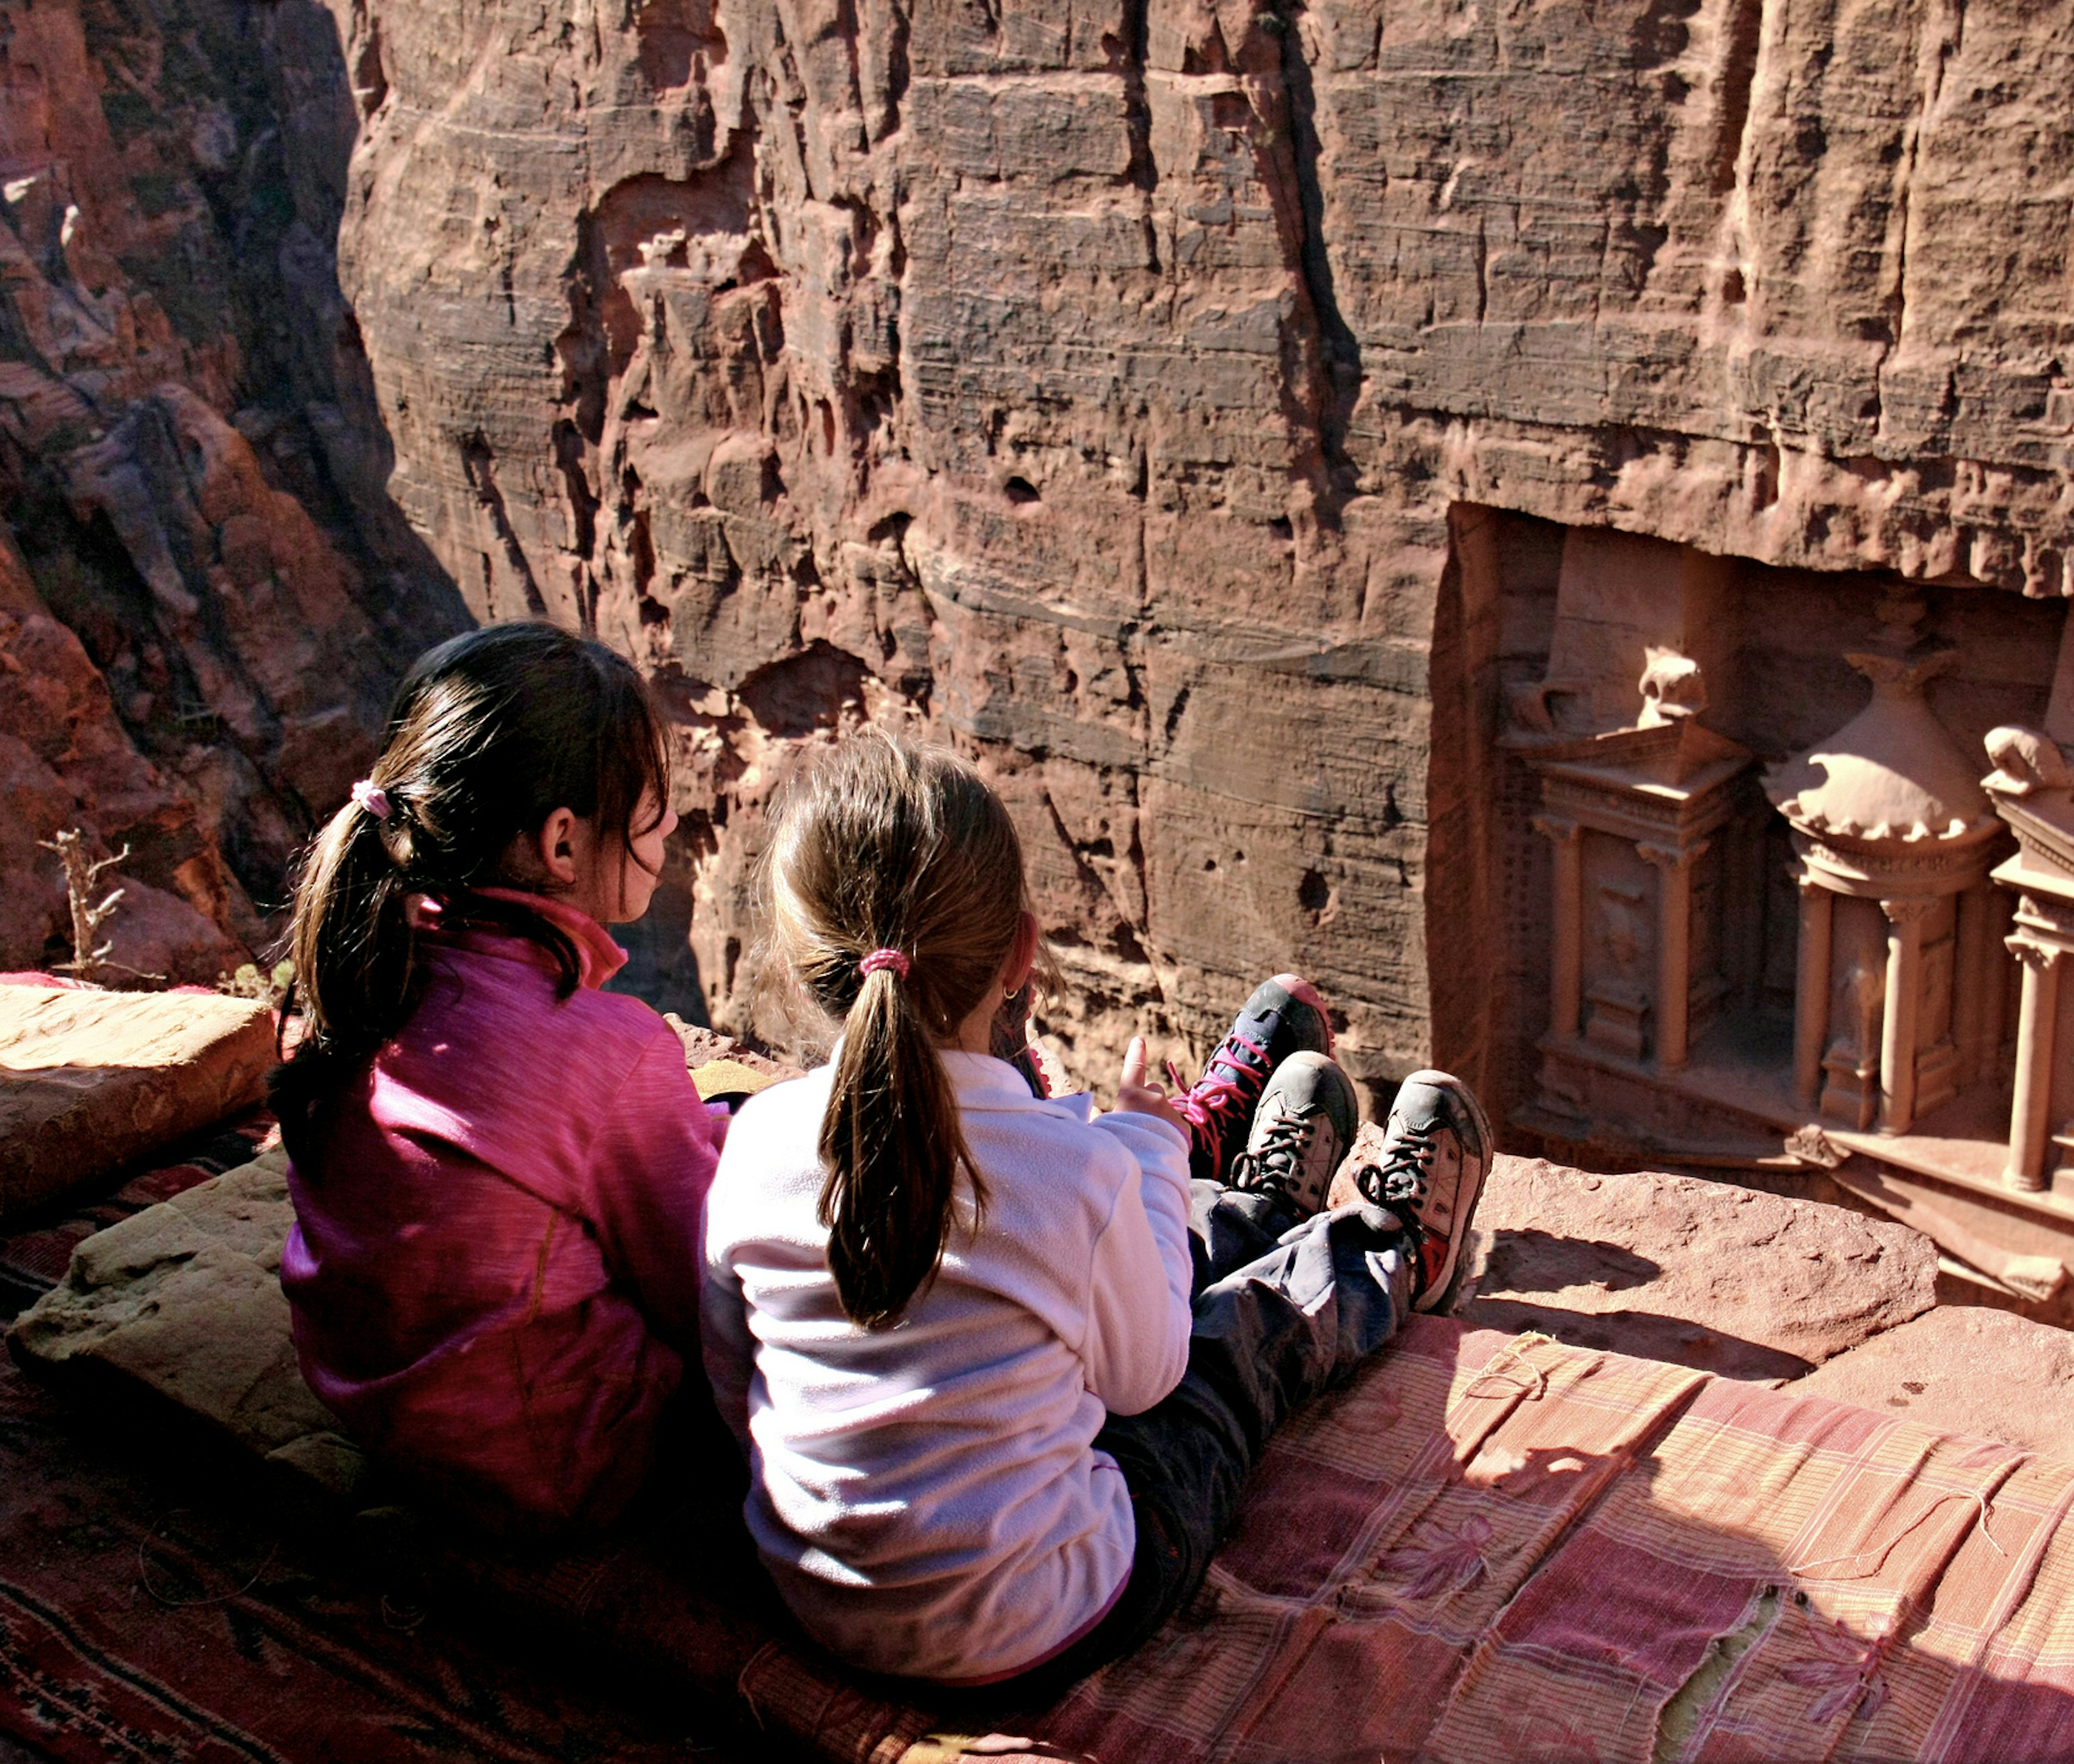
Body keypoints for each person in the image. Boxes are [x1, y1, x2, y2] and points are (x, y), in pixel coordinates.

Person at [701, 734, 1495, 1700]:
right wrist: (1145, 1148)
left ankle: (1252, 1203)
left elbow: (737, 1383)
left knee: (1085, 1282)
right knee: (1230, 1351)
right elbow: (1147, 1377)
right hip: (1051, 1618)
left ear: (805, 968)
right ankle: (1392, 1254)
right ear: (1022, 957)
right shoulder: (1073, 1168)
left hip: (821, 1606)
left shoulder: (751, 1148)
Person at [272, 622, 725, 1535]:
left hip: (366, 1390)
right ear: (562, 843)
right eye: (651, 805)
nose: (672, 826)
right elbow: (702, 1299)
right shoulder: (608, 1049)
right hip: (552, 1459)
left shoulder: (370, 965)